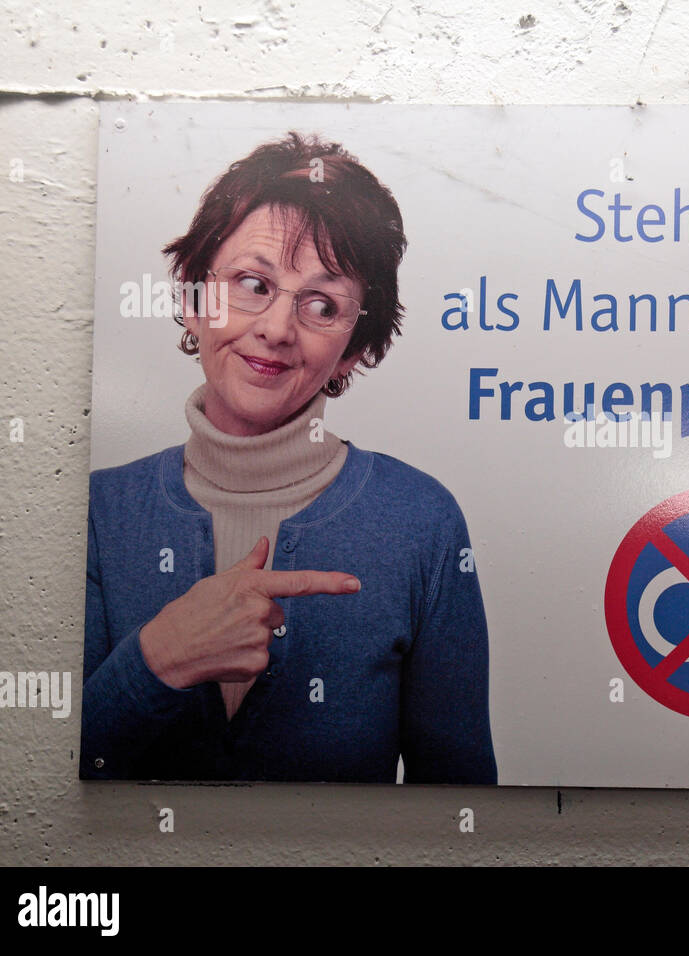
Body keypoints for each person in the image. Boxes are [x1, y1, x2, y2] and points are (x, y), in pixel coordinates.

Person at [81, 132, 496, 783]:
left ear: (354, 350)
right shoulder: (99, 515)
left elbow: (462, 810)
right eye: (253, 283)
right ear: (195, 301)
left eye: (322, 304)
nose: (277, 328)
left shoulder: (422, 522)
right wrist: (158, 660)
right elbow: (27, 785)